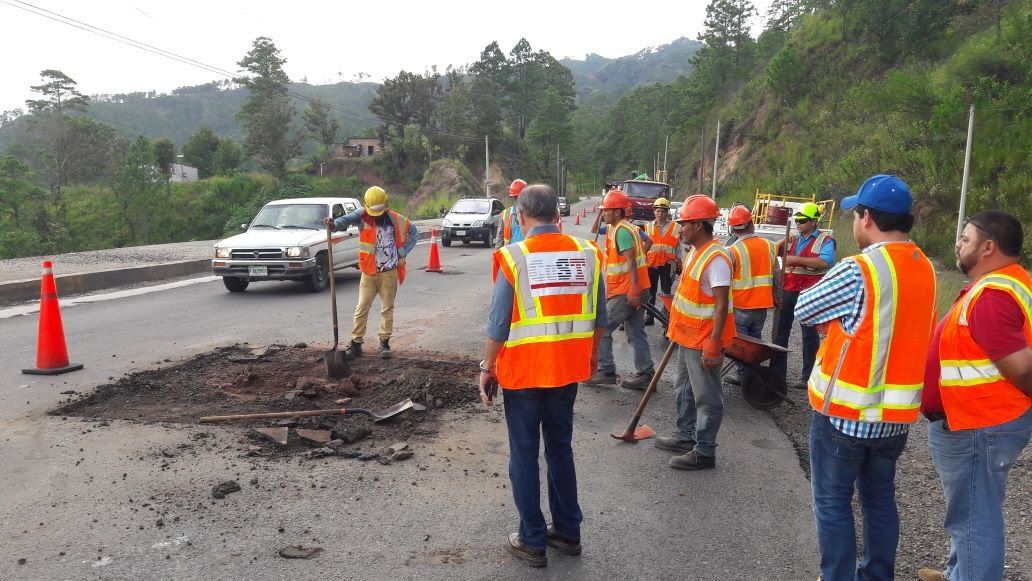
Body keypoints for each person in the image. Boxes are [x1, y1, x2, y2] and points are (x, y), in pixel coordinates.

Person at [795, 174, 937, 580]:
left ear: (868, 218)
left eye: (856, 214)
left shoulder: (861, 268)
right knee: (879, 500)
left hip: (845, 415)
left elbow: (805, 308)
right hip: (895, 419)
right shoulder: (925, 268)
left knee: (833, 503)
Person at [479, 184, 606, 568]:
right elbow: (599, 315)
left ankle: (532, 540)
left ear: (520, 216)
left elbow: (499, 325)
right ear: (557, 214)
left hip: (524, 373)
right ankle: (567, 532)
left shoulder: (515, 256)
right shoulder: (588, 252)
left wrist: (487, 368)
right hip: (566, 369)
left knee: (524, 452)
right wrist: (592, 356)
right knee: (559, 448)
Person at [917, 211, 1032, 581]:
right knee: (971, 509)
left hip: (980, 423)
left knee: (973, 519)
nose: (957, 245)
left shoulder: (994, 295)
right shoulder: (1008, 283)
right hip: (982, 420)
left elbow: (1023, 370)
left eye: (964, 239)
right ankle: (959, 572)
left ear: (988, 247)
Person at [654, 195, 735, 470]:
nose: (680, 229)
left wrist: (714, 343)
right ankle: (685, 435)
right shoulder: (694, 253)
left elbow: (721, 305)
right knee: (684, 389)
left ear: (699, 225)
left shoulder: (716, 258)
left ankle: (705, 451)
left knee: (706, 397)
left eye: (685, 224)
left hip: (703, 340)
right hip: (686, 337)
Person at [325, 186, 418, 359]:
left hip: (389, 272)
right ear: (366, 205)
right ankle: (356, 344)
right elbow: (345, 220)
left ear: (386, 205)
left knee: (387, 308)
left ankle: (384, 343)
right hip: (368, 272)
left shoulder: (395, 219)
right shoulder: (361, 215)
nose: (376, 215)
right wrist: (334, 224)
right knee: (362, 307)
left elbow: (414, 232)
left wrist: (402, 252)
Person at [584, 189, 655, 390]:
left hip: (626, 290)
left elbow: (631, 261)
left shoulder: (622, 231)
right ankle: (646, 374)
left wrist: (633, 288)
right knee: (636, 332)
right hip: (635, 288)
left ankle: (606, 371)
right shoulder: (623, 228)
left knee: (602, 327)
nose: (604, 213)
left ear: (617, 212)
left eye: (606, 210)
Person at [772, 201, 836, 389]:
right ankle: (777, 375)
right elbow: (772, 252)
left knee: (809, 336)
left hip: (810, 292)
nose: (798, 223)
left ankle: (807, 377)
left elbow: (824, 262)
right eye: (796, 220)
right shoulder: (792, 238)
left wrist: (795, 260)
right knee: (780, 334)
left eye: (802, 220)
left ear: (814, 221)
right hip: (788, 289)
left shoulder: (825, 240)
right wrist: (784, 241)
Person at [724, 205, 777, 385]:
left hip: (740, 305)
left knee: (741, 345)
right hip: (762, 304)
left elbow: (725, 281)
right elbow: (777, 274)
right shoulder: (769, 246)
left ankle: (745, 376)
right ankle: (753, 374)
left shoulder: (732, 251)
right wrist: (777, 297)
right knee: (754, 341)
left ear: (732, 228)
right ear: (751, 223)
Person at [644, 198, 681, 326]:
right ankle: (649, 316)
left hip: (668, 264)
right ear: (654, 211)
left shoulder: (676, 227)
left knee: (666, 292)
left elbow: (678, 246)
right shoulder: (648, 227)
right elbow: (644, 246)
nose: (660, 214)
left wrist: (679, 261)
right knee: (651, 291)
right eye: (658, 211)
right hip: (652, 264)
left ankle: (666, 317)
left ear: (667, 212)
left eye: (663, 211)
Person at [495, 179, 528, 248]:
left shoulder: (533, 213)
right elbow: (500, 237)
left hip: (527, 251)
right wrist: (497, 251)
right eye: (516, 197)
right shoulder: (506, 213)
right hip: (511, 252)